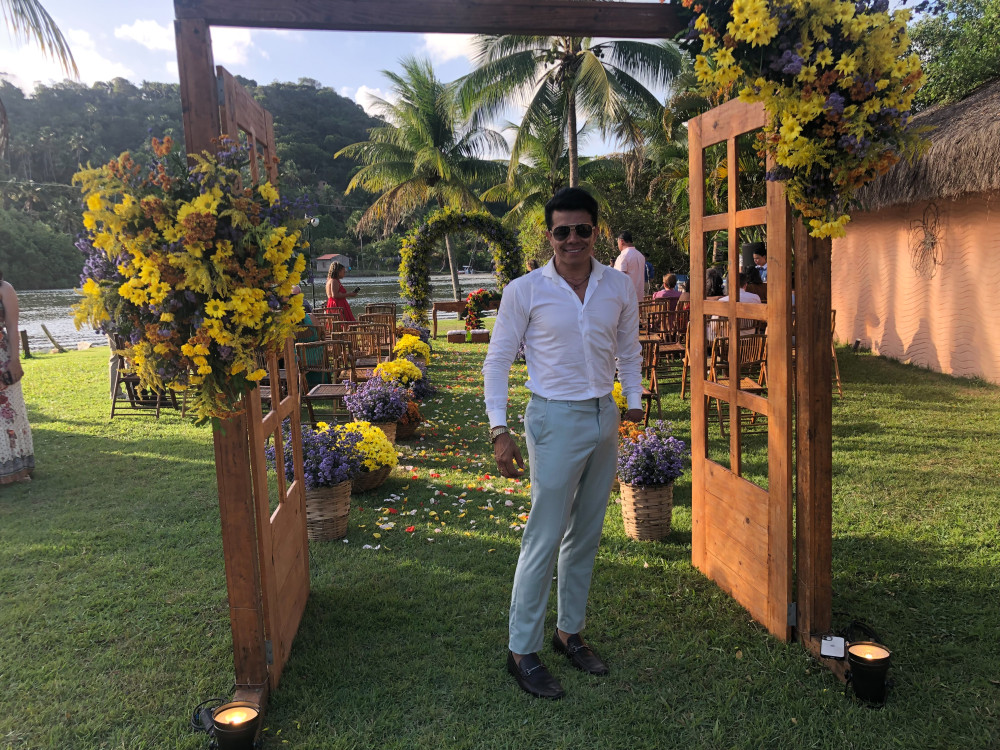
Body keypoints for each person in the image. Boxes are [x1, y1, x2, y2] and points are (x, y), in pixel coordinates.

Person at [483, 187, 643, 700]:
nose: (573, 239)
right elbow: (497, 360)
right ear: (549, 235)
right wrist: (499, 429)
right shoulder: (525, 290)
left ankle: (569, 632)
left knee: (586, 533)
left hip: (603, 415)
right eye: (562, 231)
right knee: (544, 535)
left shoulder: (618, 285)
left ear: (596, 230)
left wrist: (633, 401)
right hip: (552, 418)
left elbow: (630, 349)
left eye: (582, 229)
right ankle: (521, 651)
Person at [0, 270, 34, 484]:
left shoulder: (4, 288)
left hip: (2, 356)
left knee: (8, 412)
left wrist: (14, 360)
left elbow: (12, 327)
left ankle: (15, 469)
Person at [613, 230, 645, 305]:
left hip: (626, 299)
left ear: (621, 241)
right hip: (639, 299)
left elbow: (619, 278)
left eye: (618, 242)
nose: (618, 245)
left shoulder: (623, 256)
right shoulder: (640, 255)